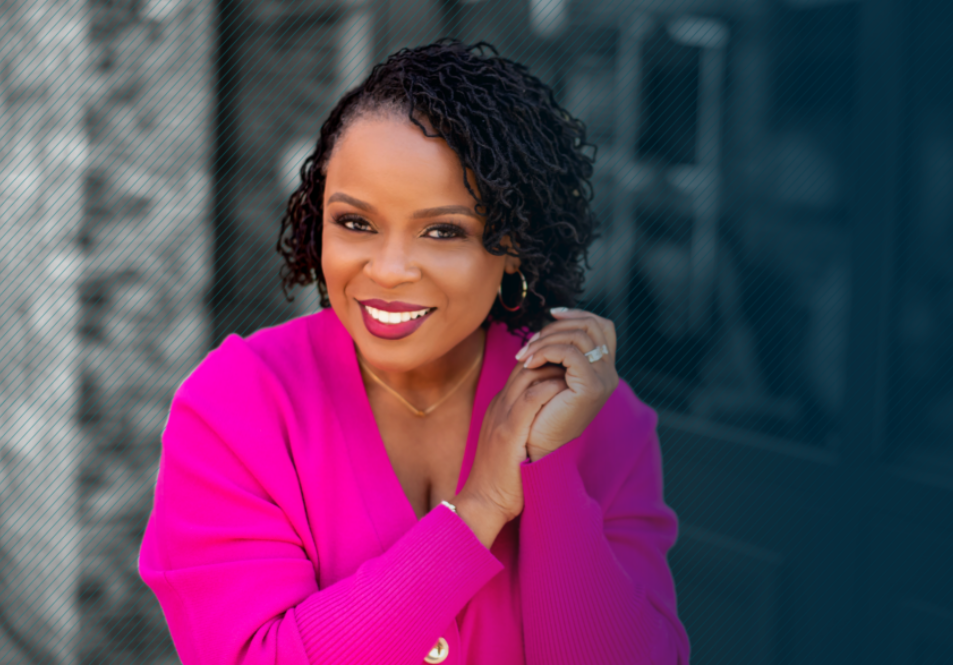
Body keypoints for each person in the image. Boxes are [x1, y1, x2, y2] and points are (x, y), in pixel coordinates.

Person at [138, 40, 690, 665]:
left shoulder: (602, 419)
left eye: (443, 231)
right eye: (355, 223)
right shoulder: (239, 406)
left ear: (514, 245)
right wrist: (479, 509)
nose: (389, 269)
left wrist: (550, 471)